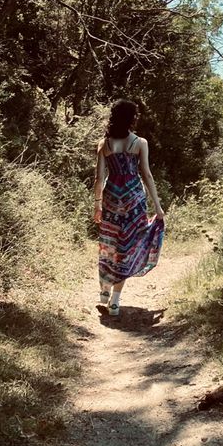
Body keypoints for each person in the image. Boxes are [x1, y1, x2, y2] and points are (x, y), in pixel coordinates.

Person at [93, 99, 165, 317]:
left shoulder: (103, 145)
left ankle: (104, 291)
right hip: (134, 199)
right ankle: (115, 301)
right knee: (127, 247)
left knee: (109, 243)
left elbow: (99, 178)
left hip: (112, 198)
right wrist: (158, 207)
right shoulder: (140, 142)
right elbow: (147, 174)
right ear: (132, 117)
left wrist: (97, 205)